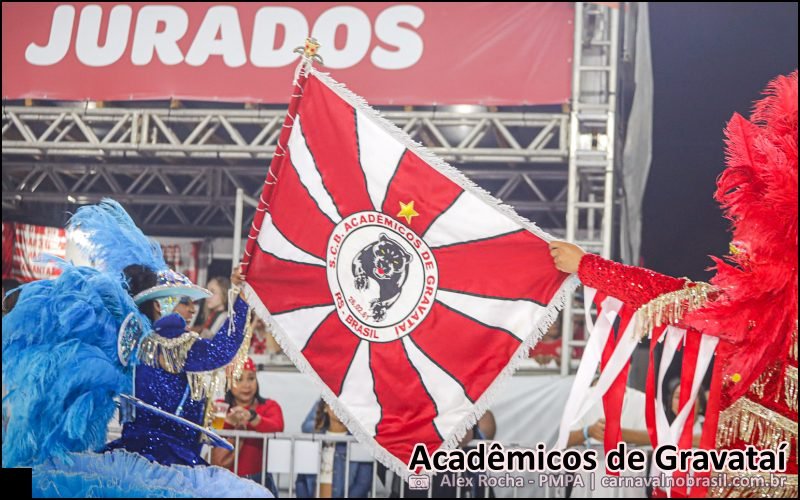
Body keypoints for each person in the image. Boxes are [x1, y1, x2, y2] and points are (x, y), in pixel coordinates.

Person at [549, 71, 797, 497]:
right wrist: (586, 266)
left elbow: (671, 295)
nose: (740, 247)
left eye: (755, 235)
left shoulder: (765, 308)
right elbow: (674, 295)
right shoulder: (746, 304)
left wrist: (587, 266)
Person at [2, 199, 271, 497]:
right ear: (159, 305)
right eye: (183, 301)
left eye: (192, 302)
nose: (191, 309)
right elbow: (222, 350)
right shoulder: (168, 345)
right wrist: (243, 298)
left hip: (146, 459)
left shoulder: (137, 346)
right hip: (166, 462)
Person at [211, 357, 284, 496]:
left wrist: (252, 417)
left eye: (251, 378)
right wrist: (230, 423)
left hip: (259, 481)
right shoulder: (219, 407)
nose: (246, 385)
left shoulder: (269, 406)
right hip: (225, 482)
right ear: (229, 382)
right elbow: (211, 434)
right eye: (239, 379)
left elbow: (277, 427)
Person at [297, 399, 373, 498]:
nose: (340, 407)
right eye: (335, 401)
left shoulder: (360, 442)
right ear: (325, 407)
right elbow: (301, 480)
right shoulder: (314, 440)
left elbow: (363, 483)